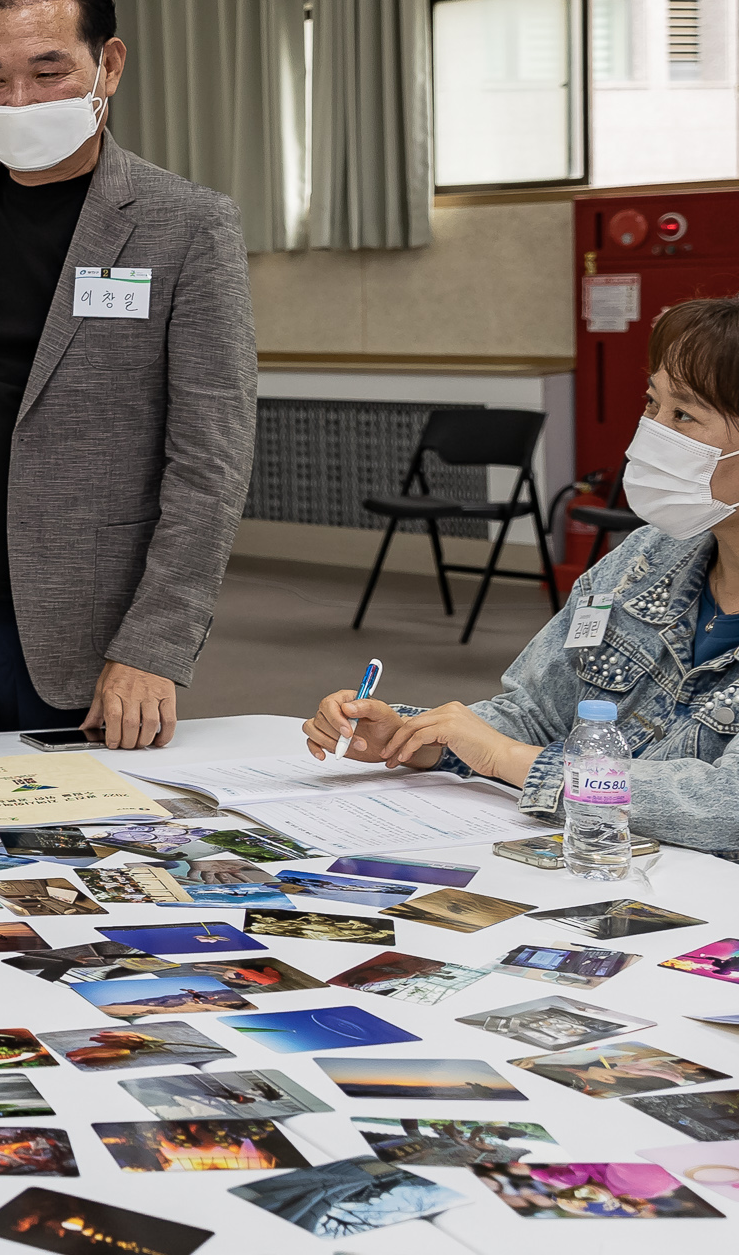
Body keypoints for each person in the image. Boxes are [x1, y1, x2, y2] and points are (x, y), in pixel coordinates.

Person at [0, 0, 256, 749]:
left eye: (48, 74)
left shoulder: (189, 225)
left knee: (77, 853)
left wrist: (153, 645)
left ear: (107, 65)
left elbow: (210, 460)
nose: (19, 103)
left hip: (92, 631)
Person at [304, 299, 739, 858]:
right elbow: (536, 711)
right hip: (607, 867)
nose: (650, 434)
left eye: (683, 416)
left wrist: (510, 761)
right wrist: (420, 738)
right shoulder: (646, 558)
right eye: (652, 403)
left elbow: (725, 808)